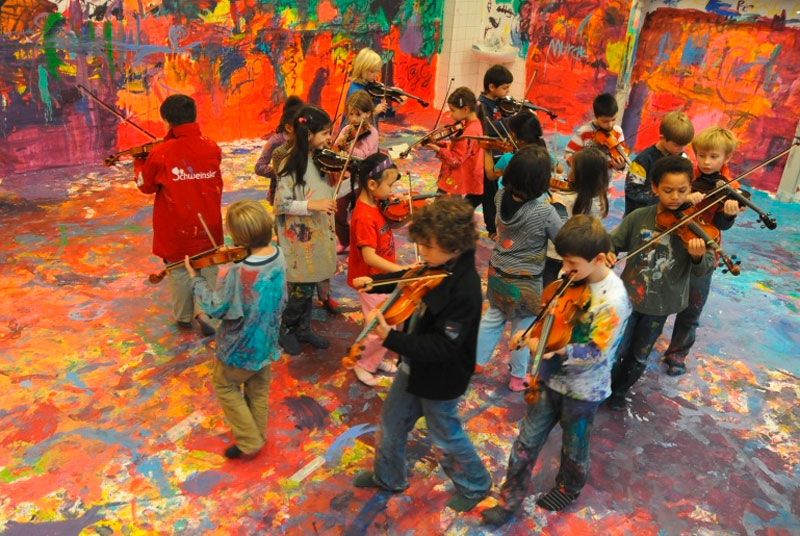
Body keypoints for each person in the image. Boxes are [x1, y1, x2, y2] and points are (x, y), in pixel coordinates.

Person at [481, 215, 631, 524]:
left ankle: (569, 487)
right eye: (563, 260)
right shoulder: (571, 277)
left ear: (598, 259)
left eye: (571, 263)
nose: (564, 269)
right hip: (549, 379)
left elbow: (596, 352)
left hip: (583, 390)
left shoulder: (613, 300)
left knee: (574, 447)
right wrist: (532, 335)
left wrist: (555, 349)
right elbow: (554, 318)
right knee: (525, 442)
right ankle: (509, 499)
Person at [351, 196, 492, 513]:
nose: (421, 252)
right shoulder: (437, 266)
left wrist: (392, 338)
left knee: (445, 436)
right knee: (391, 423)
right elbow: (409, 280)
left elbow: (443, 347)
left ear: (455, 247)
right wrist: (375, 283)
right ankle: (388, 477)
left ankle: (476, 485)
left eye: (428, 246)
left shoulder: (464, 290)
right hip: (412, 368)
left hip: (441, 379)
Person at [606, 155, 715, 410]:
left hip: (661, 305)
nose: (675, 197)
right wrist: (609, 253)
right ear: (654, 188)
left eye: (682, 191)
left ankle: (620, 391)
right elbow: (613, 242)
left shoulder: (695, 225)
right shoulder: (639, 218)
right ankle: (605, 387)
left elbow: (704, 268)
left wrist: (698, 256)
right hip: (629, 298)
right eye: (668, 190)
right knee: (616, 349)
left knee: (639, 356)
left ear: (690, 188)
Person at [186, 199, 286, 459]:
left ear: (239, 237)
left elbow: (216, 307)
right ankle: (258, 433)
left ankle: (249, 440)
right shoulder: (278, 253)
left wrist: (196, 280)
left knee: (225, 386)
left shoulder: (239, 270)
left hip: (240, 347)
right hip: (267, 339)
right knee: (258, 388)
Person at [474, 146, 563, 392]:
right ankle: (517, 376)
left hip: (498, 270)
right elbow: (563, 238)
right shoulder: (545, 211)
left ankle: (476, 361)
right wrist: (559, 207)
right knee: (524, 327)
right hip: (526, 280)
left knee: (494, 317)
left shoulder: (500, 195)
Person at [133, 94, 222, 337]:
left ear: (167, 121)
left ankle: (184, 317)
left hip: (177, 227)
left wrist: (139, 162)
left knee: (180, 270)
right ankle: (205, 310)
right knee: (208, 265)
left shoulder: (161, 153)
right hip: (208, 223)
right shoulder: (212, 146)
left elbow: (145, 185)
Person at [663, 127, 742, 375]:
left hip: (706, 250)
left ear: (727, 157)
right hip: (676, 242)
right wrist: (685, 198)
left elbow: (721, 225)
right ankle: (646, 339)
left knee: (693, 306)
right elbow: (665, 204)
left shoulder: (731, 187)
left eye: (714, 157)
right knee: (660, 296)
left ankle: (677, 354)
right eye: (702, 155)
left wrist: (728, 215)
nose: (706, 162)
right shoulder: (685, 175)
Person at [274, 104, 337, 355]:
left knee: (310, 283)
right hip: (298, 237)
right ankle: (286, 328)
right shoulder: (290, 163)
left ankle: (304, 329)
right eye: (325, 133)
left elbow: (323, 192)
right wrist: (312, 205)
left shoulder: (320, 159)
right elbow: (281, 205)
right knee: (301, 287)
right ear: (308, 134)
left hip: (317, 231)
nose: (329, 138)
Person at [347, 152, 404, 386]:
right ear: (372, 185)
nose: (392, 191)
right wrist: (401, 270)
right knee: (380, 326)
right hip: (371, 281)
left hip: (383, 278)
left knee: (386, 321)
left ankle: (374, 359)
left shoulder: (377, 204)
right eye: (389, 185)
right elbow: (369, 257)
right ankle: (362, 363)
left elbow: (391, 224)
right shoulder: (363, 217)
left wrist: (409, 213)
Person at [543, 147, 610, 286]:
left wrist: (555, 201)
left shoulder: (564, 199)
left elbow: (553, 226)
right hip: (581, 258)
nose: (569, 172)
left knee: (550, 290)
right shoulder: (599, 199)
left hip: (555, 257)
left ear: (579, 175)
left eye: (572, 169)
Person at [333, 90, 380, 254]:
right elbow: (336, 148)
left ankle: (361, 244)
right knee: (337, 211)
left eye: (358, 114)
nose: (353, 119)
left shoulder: (372, 133)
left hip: (363, 178)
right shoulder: (347, 129)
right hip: (345, 176)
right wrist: (339, 143)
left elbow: (363, 155)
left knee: (360, 215)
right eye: (350, 114)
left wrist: (348, 147)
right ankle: (345, 240)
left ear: (368, 114)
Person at [624, 110, 694, 215]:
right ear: (662, 138)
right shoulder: (643, 159)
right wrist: (663, 197)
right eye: (677, 145)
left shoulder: (684, 158)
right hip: (642, 215)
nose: (681, 149)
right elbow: (632, 190)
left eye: (685, 145)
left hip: (669, 216)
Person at [426, 87, 485, 205]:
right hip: (460, 175)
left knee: (447, 206)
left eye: (453, 111)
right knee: (451, 203)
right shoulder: (472, 123)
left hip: (458, 176)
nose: (450, 115)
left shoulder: (470, 131)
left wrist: (438, 149)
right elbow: (463, 149)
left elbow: (456, 160)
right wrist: (442, 144)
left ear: (466, 109)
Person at [478, 64, 514, 238]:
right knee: (488, 192)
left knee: (491, 190)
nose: (508, 92)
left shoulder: (500, 102)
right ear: (491, 87)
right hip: (488, 154)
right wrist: (511, 121)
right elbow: (489, 128)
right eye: (505, 88)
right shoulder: (481, 106)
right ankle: (492, 229)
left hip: (500, 151)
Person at [254, 95, 304, 204]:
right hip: (280, 196)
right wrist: (280, 173)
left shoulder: (306, 140)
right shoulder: (276, 141)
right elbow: (259, 167)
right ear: (288, 127)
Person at [564, 93, 627, 171]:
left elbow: (622, 159)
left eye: (613, 119)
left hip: (606, 177)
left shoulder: (617, 131)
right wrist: (579, 166)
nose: (610, 125)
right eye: (605, 121)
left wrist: (621, 166)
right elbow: (568, 153)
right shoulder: (584, 132)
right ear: (596, 116)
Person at [345, 47, 406, 128]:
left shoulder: (372, 87)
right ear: (362, 70)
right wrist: (374, 112)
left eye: (377, 71)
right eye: (372, 71)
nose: (376, 74)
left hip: (371, 132)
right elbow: (354, 120)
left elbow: (380, 112)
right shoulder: (356, 92)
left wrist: (396, 107)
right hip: (359, 134)